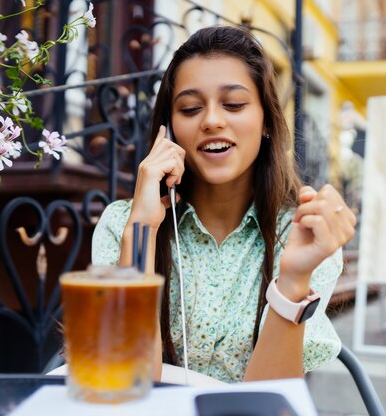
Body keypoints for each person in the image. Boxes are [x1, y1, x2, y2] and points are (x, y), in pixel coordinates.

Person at [92, 25, 356, 384]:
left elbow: (266, 403)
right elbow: (129, 384)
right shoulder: (125, 223)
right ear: (168, 130)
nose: (213, 120)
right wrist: (141, 231)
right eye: (190, 108)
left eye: (234, 105)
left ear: (266, 121)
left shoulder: (301, 234)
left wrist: (293, 279)